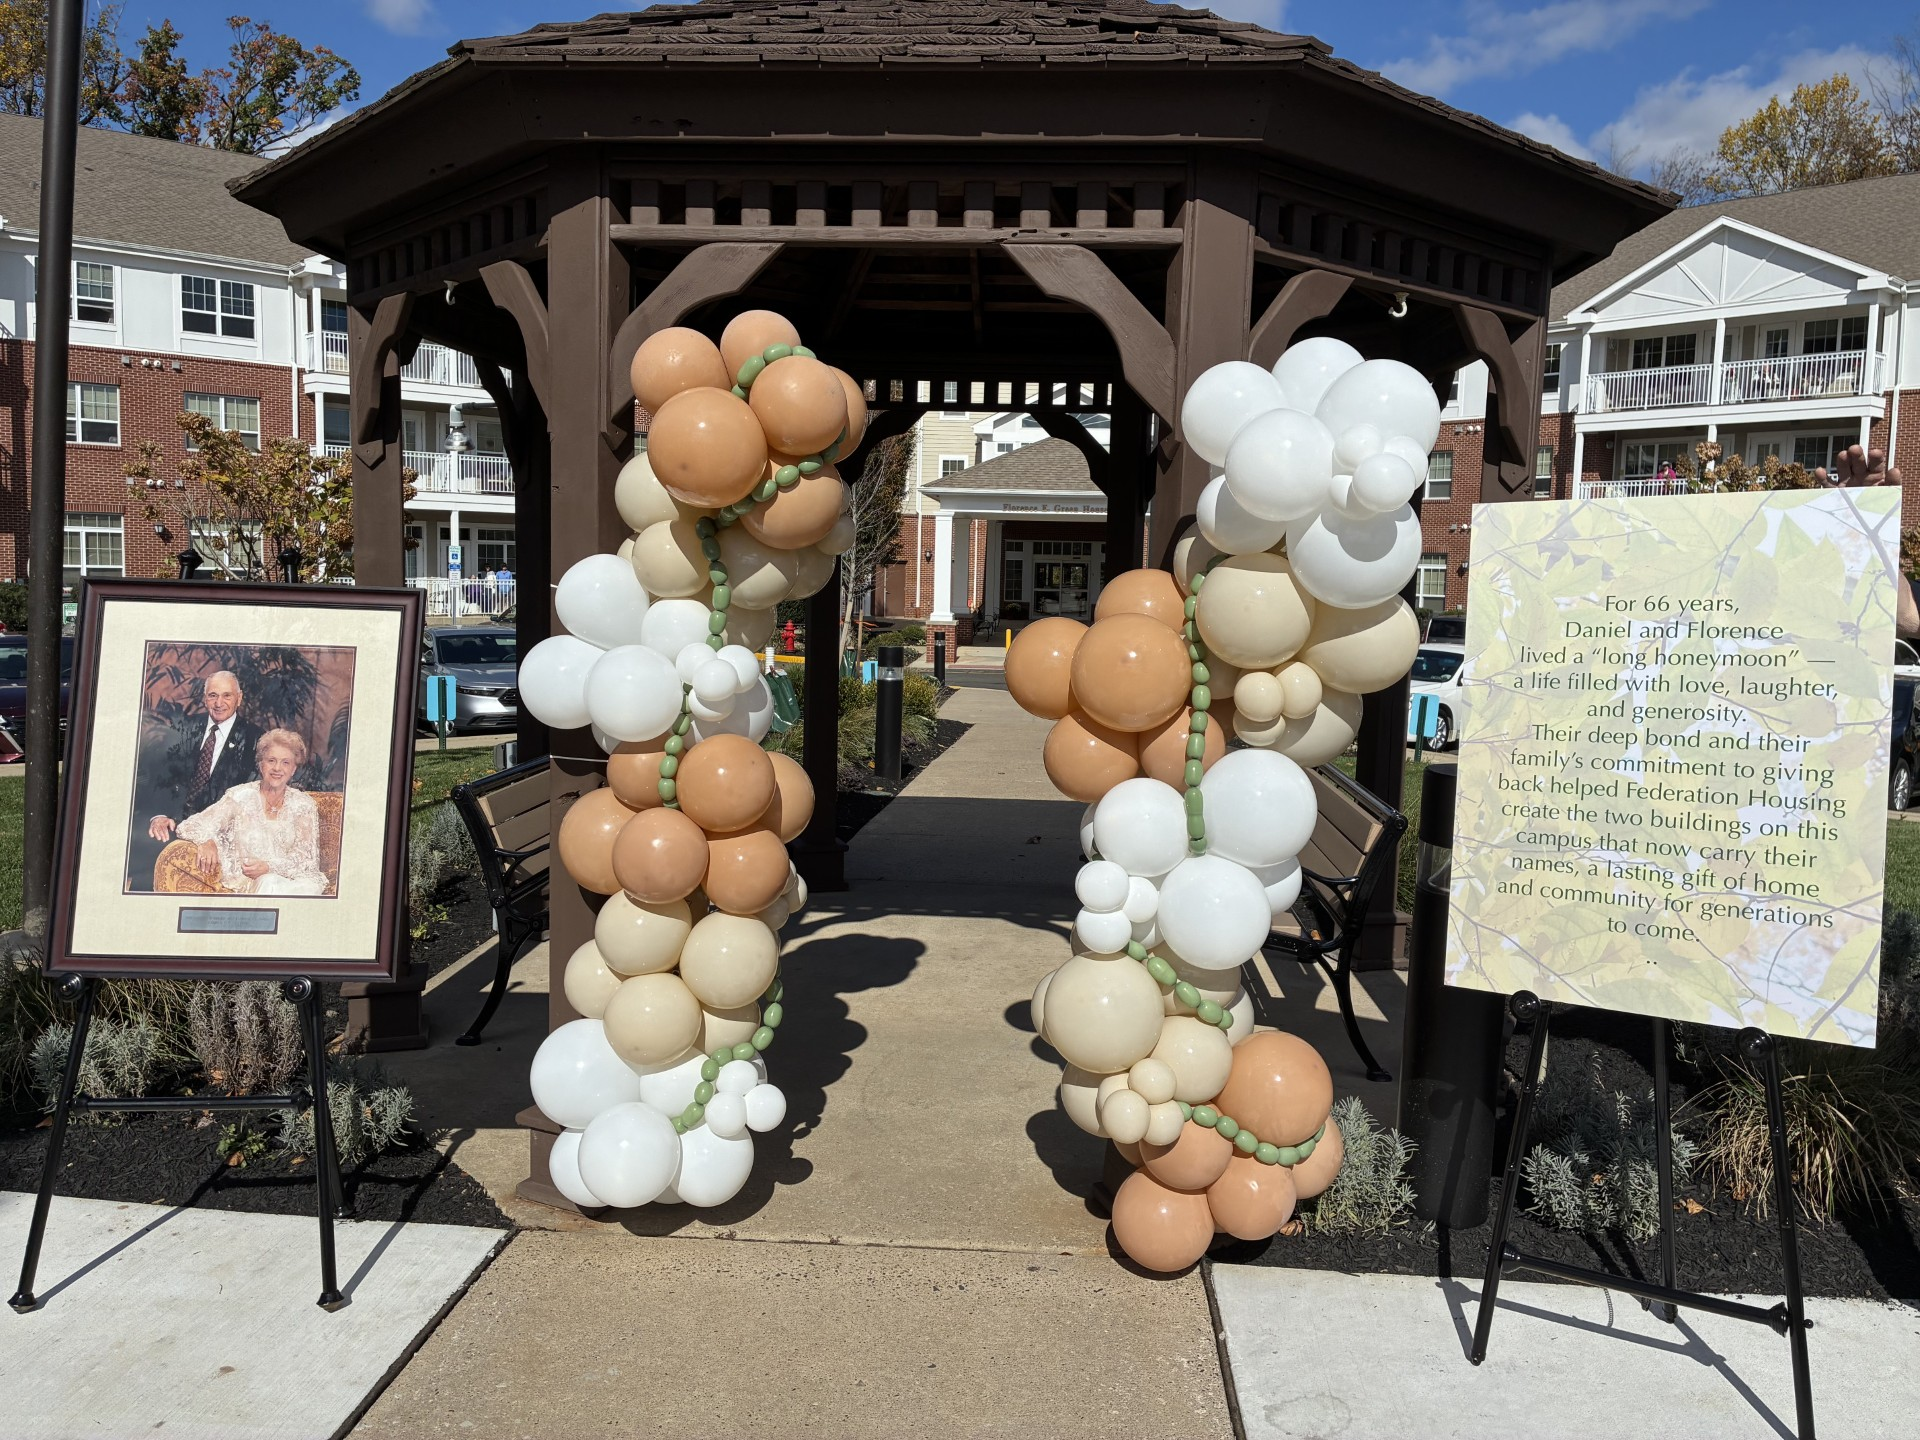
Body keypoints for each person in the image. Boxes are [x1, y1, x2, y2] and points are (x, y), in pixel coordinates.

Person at [175, 728, 329, 895]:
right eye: (271, 760)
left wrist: (269, 867)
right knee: (267, 883)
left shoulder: (304, 805)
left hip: (296, 883)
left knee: (280, 884)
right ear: (261, 764)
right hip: (256, 885)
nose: (277, 768)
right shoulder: (240, 796)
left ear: (293, 769)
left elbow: (306, 859)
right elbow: (191, 825)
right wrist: (207, 841)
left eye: (285, 762)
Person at [145, 671, 261, 847]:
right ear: (205, 699)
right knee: (145, 847)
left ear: (239, 698)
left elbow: (249, 799)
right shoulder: (182, 727)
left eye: (227, 696)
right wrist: (160, 816)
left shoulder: (255, 739)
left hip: (221, 833)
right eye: (213, 695)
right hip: (173, 822)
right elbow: (162, 776)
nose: (219, 703)